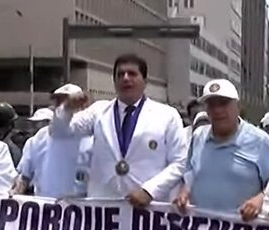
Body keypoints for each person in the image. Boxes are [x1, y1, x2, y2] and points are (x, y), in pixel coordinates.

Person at [49, 53, 187, 205]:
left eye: (132, 74)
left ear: (145, 81)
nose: (126, 78)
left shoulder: (167, 115)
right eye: (120, 74)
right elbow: (59, 132)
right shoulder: (98, 112)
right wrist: (66, 108)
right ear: (114, 81)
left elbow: (180, 162)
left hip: (146, 209)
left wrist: (150, 191)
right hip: (104, 206)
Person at [173, 79, 269, 220]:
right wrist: (184, 192)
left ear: (238, 106)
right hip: (201, 227)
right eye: (211, 105)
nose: (217, 110)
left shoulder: (260, 141)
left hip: (241, 228)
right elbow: (190, 174)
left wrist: (260, 199)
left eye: (223, 103)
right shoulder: (198, 136)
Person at [14, 86, 96, 198]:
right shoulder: (39, 138)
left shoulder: (92, 138)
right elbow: (24, 176)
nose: (62, 106)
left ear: (82, 104)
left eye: (67, 101)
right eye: (58, 101)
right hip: (45, 204)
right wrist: (15, 194)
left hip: (81, 204)